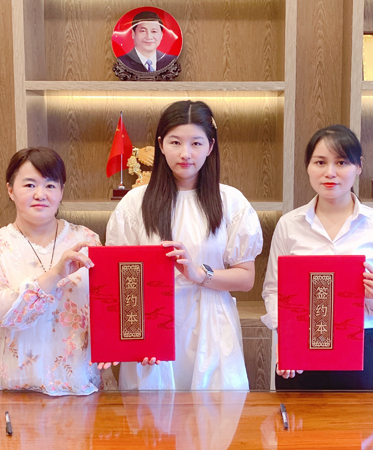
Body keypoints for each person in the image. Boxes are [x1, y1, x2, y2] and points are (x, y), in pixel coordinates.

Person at [106, 100, 263, 390]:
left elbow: (246, 278)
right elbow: (119, 279)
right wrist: (133, 336)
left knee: (214, 410)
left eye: (196, 143)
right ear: (160, 145)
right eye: (175, 142)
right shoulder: (134, 204)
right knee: (153, 412)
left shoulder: (231, 202)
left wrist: (199, 273)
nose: (185, 153)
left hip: (212, 323)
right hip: (152, 326)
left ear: (210, 147)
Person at [261, 125, 373, 390]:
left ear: (358, 166)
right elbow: (273, 290)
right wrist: (287, 337)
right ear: (308, 166)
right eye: (320, 162)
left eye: (341, 162)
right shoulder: (289, 225)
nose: (330, 172)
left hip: (362, 349)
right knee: (295, 418)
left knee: (363, 419)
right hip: (300, 350)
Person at [0, 147, 110, 396]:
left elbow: (107, 305)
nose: (41, 194)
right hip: (13, 381)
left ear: (61, 191)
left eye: (50, 186)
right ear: (10, 190)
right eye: (29, 185)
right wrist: (55, 274)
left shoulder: (87, 240)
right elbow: (0, 311)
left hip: (77, 380)